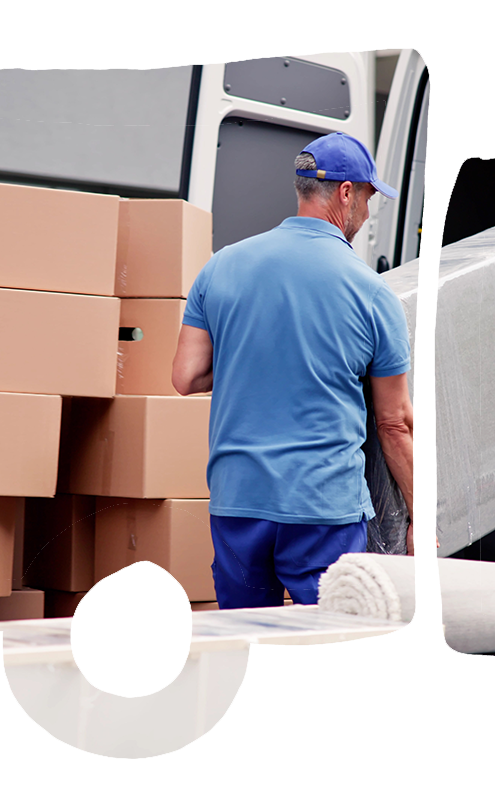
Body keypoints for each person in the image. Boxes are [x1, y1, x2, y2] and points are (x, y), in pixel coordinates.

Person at [172, 131, 420, 609]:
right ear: (347, 193)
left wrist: (255, 356)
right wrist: (415, 515)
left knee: (245, 643)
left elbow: (185, 377)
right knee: (328, 648)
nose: (367, 213)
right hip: (322, 506)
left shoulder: (221, 266)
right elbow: (393, 423)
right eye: (368, 197)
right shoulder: (371, 293)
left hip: (237, 499)